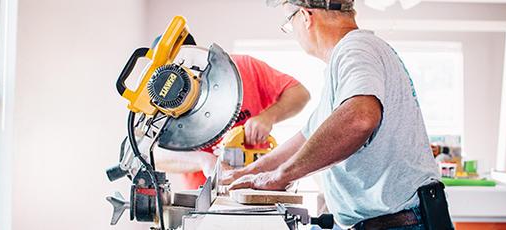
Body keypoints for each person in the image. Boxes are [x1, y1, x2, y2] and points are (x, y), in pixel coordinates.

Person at [222, 0, 445, 229]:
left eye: (290, 22)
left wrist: (280, 177)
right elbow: (306, 138)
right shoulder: (351, 58)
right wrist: (251, 172)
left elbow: (359, 119)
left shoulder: (356, 48)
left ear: (306, 16)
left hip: (399, 223)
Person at [153, 54, 310, 190]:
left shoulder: (243, 67)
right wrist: (204, 161)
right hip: (206, 193)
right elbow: (155, 155)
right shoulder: (163, 102)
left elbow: (299, 93)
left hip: (260, 182)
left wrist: (269, 116)